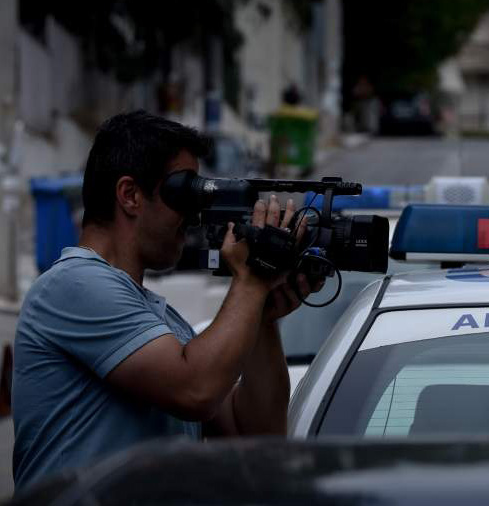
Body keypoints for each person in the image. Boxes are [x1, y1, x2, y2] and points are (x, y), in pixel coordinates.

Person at [12, 111, 315, 489]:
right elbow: (195, 390)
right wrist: (250, 282)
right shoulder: (73, 284)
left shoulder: (163, 322)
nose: (194, 213)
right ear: (130, 196)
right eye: (185, 191)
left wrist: (263, 317)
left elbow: (258, 436)